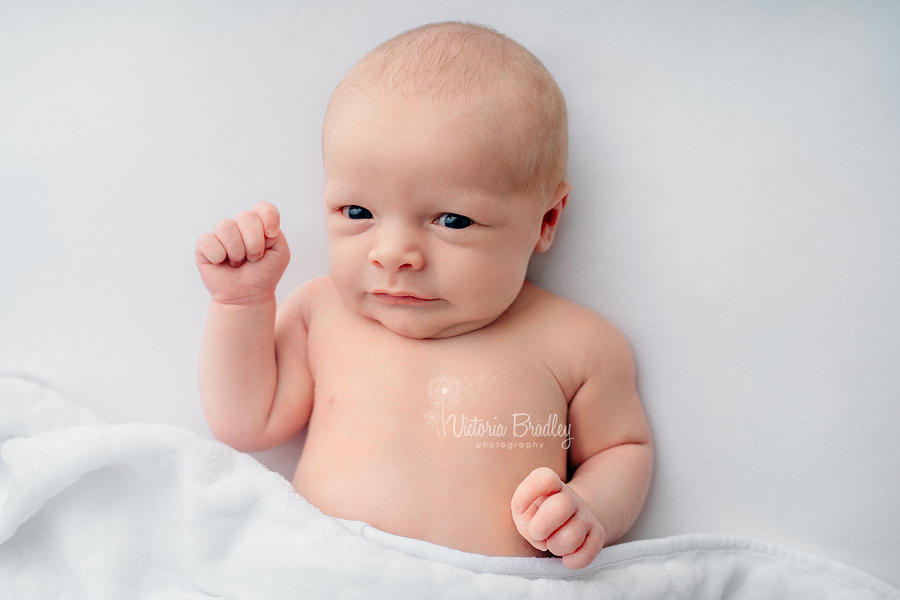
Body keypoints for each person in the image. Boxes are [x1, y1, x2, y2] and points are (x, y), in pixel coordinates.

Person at [195, 21, 652, 570]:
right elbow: (246, 422)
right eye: (358, 213)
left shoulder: (577, 343)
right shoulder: (323, 314)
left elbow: (621, 451)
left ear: (546, 219)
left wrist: (589, 506)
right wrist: (241, 305)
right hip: (324, 568)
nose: (393, 254)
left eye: (452, 219)